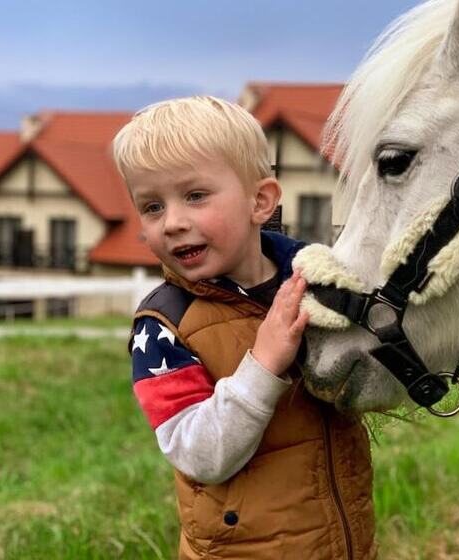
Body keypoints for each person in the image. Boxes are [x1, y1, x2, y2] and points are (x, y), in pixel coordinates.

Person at [113, 96, 376, 559]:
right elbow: (198, 455)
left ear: (260, 201)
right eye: (152, 207)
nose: (172, 222)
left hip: (342, 540)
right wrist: (264, 363)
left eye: (195, 196)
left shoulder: (313, 282)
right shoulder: (162, 326)